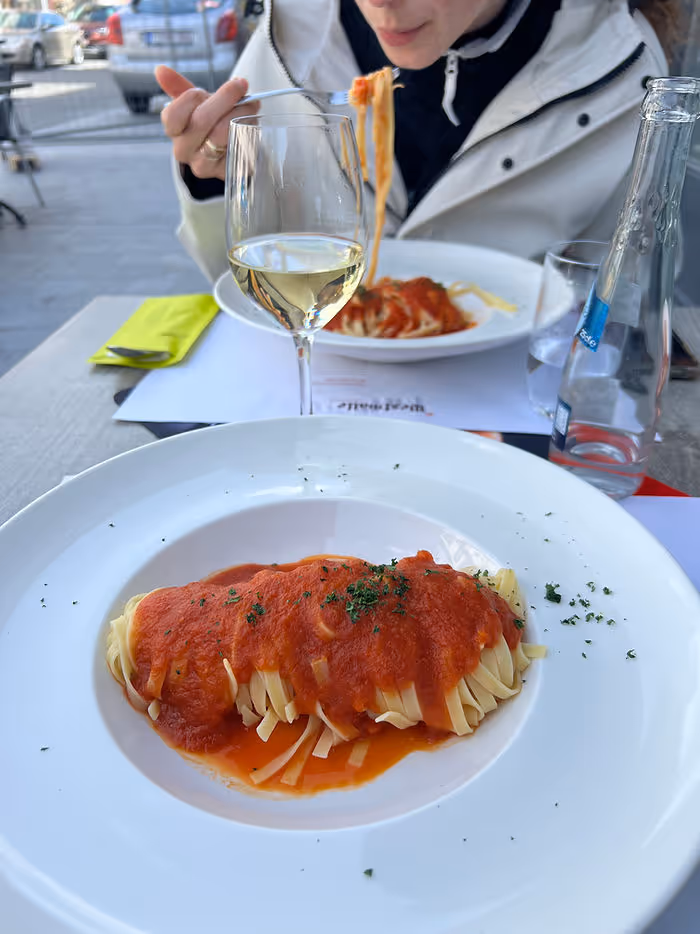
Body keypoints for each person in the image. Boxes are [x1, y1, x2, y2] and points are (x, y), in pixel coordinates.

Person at [155, 0, 679, 284]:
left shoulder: (619, 68)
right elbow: (238, 274)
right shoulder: (292, 33)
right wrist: (215, 177)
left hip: (503, 407)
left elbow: (627, 296)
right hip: (325, 380)